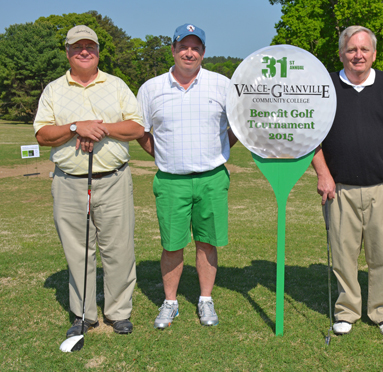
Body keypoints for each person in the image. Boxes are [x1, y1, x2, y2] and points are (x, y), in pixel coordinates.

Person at [34, 25, 144, 337]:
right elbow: (42, 134)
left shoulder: (117, 85)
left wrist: (99, 128)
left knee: (118, 248)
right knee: (78, 250)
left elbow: (136, 127)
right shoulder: (54, 90)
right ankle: (84, 315)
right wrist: (74, 127)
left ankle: (118, 312)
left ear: (97, 51)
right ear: (67, 52)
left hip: (113, 180)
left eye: (90, 46)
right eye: (77, 46)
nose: (84, 51)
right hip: (69, 182)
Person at [312, 26, 383, 337]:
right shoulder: (324, 85)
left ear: (374, 54)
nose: (358, 55)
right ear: (342, 53)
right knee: (343, 255)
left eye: (364, 50)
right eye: (351, 50)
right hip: (339, 189)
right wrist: (323, 173)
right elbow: (310, 136)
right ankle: (347, 311)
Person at [137, 23, 237, 329]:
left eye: (195, 47)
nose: (189, 52)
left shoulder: (222, 85)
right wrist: (164, 155)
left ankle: (205, 300)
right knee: (172, 244)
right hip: (170, 180)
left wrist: (218, 151)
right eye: (183, 46)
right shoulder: (151, 88)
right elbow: (141, 132)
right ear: (173, 50)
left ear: (203, 52)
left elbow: (236, 130)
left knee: (207, 242)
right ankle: (170, 303)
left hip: (211, 177)